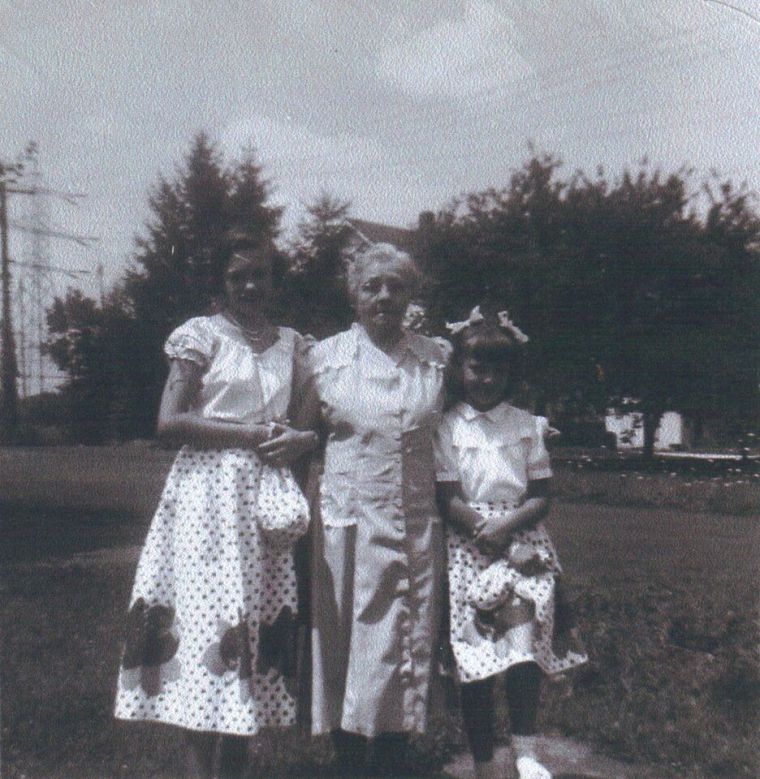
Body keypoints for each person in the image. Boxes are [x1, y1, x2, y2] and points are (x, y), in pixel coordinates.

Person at [113, 240, 319, 779]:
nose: (251, 287)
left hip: (264, 504)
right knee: (208, 631)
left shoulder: (294, 345)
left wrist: (298, 438)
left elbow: (303, 425)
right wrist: (250, 434)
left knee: (246, 636)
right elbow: (169, 422)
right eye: (238, 277)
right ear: (222, 284)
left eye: (262, 276)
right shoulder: (201, 336)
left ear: (277, 284)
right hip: (206, 497)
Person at [302, 243, 448, 776]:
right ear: (354, 296)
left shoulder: (437, 359)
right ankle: (347, 765)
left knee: (403, 648)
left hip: (413, 529)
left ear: (411, 295)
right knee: (347, 653)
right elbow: (301, 439)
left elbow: (456, 437)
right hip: (346, 531)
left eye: (396, 286)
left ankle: (391, 764)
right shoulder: (323, 360)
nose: (384, 296)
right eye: (372, 286)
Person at [434, 306, 587, 779]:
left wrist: (511, 531)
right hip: (469, 543)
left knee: (523, 653)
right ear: (460, 369)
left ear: (511, 373)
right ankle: (483, 763)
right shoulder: (446, 426)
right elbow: (448, 499)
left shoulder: (525, 425)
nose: (486, 378)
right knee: (475, 661)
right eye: (477, 366)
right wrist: (492, 534)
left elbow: (541, 496)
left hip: (524, 542)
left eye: (497, 368)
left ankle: (525, 751)